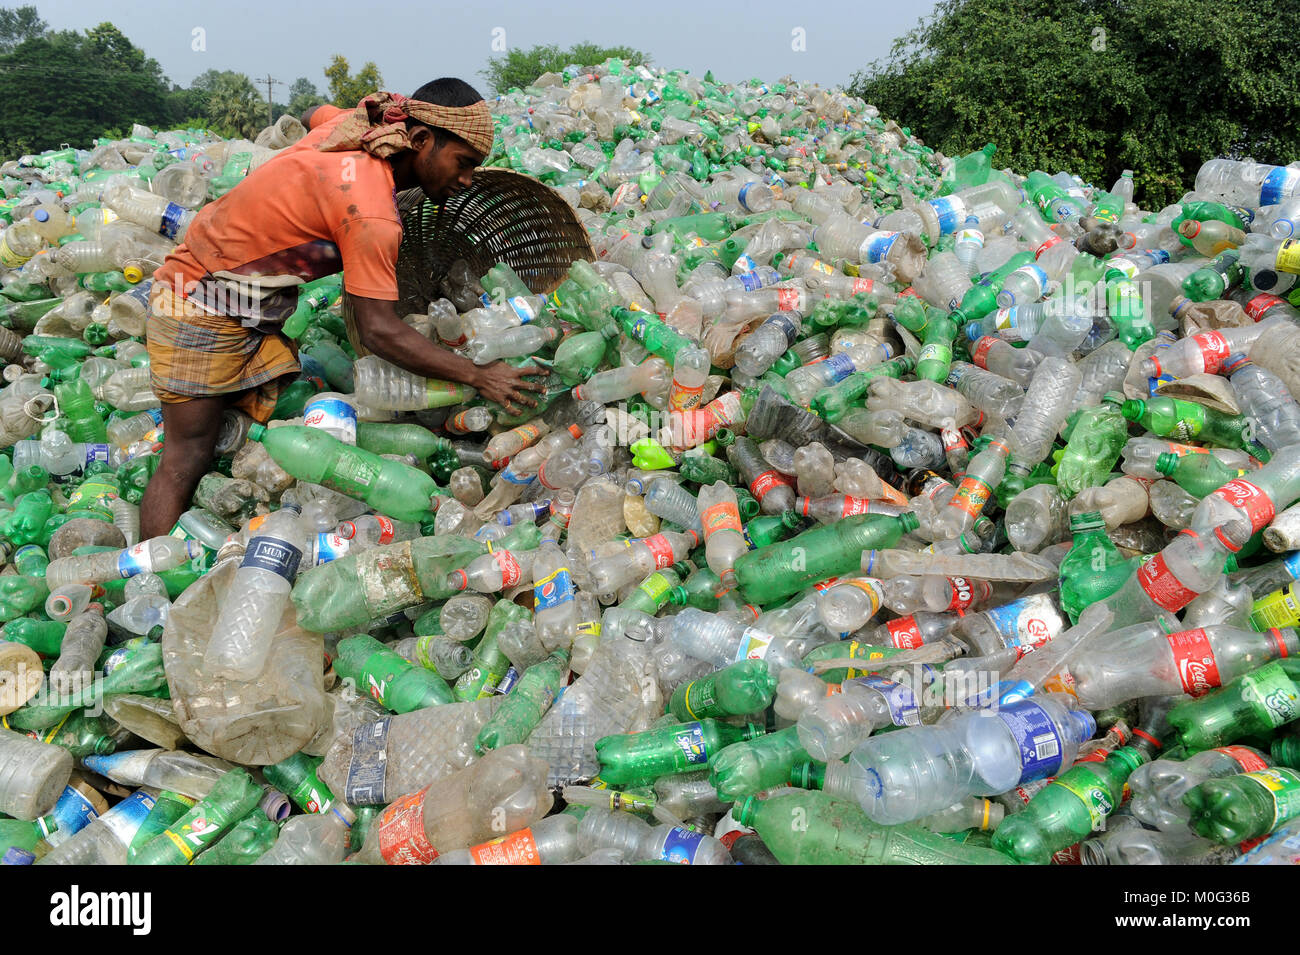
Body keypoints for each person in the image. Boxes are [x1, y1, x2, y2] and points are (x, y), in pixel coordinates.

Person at [141, 77, 546, 539]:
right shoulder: (372, 214)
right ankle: (145, 582)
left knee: (229, 430)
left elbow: (316, 112)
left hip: (248, 299)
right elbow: (378, 331)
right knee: (187, 454)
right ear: (420, 140)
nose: (467, 179)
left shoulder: (361, 127)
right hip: (198, 297)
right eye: (463, 162)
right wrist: (479, 375)